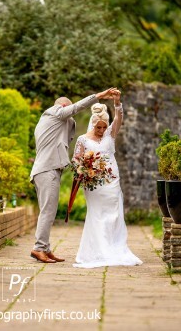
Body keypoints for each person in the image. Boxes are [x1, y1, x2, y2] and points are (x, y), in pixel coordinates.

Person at [30, 88, 119, 263]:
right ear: (63, 106)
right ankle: (39, 248)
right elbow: (75, 108)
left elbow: (67, 132)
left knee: (48, 211)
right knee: (48, 211)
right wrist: (99, 96)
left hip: (46, 170)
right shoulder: (54, 112)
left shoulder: (49, 122)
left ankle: (45, 249)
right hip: (47, 170)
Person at [72, 97, 143, 268]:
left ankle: (114, 248)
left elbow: (119, 118)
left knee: (114, 214)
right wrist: (84, 169)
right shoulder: (83, 139)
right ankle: (98, 250)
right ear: (93, 124)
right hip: (93, 184)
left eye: (104, 126)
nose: (102, 130)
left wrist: (118, 103)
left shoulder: (110, 134)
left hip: (112, 181)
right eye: (99, 127)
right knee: (96, 215)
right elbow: (76, 159)